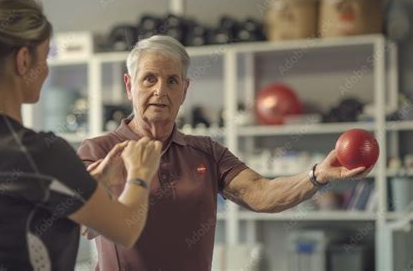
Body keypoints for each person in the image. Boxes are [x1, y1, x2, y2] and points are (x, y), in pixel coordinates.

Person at [78, 35, 372, 271]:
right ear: (129, 86)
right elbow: (82, 224)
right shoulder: (99, 150)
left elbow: (260, 193)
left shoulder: (206, 151)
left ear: (185, 90)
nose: (160, 91)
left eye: (172, 81)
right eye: (149, 79)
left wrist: (317, 175)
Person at [0, 0, 162, 271]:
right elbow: (125, 228)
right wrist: (141, 173)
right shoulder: (38, 153)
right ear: (23, 61)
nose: (45, 71)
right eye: (44, 57)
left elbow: (7, 214)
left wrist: (91, 183)